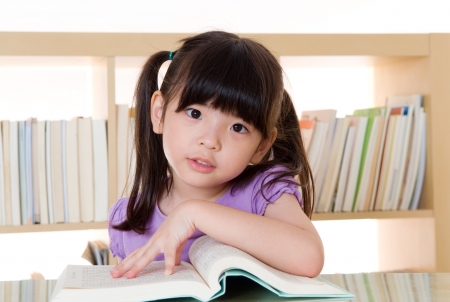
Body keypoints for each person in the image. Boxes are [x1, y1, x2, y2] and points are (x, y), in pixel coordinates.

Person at [109, 31, 324, 280]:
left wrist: (193, 213)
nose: (210, 141)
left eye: (238, 128)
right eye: (195, 113)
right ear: (159, 113)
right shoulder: (128, 219)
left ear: (261, 146)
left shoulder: (264, 192)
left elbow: (309, 258)